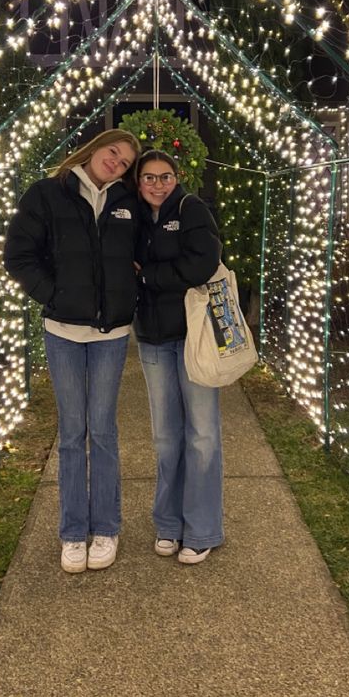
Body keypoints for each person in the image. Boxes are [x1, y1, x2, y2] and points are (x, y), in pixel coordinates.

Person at [4, 129, 141, 574]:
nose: (116, 164)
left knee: (102, 431)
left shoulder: (127, 201)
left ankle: (106, 527)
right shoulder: (48, 193)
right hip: (63, 330)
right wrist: (54, 296)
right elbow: (19, 255)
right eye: (113, 153)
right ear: (94, 148)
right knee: (71, 433)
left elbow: (146, 251)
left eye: (124, 163)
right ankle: (71, 531)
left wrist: (131, 295)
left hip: (111, 334)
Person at [134, 149, 224, 565]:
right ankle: (169, 525)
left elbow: (202, 264)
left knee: (202, 436)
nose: (157, 184)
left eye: (164, 176)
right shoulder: (132, 217)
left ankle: (202, 529)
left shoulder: (192, 210)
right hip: (153, 339)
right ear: (138, 183)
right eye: (149, 178)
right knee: (166, 437)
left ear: (176, 177)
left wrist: (151, 275)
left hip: (194, 338)